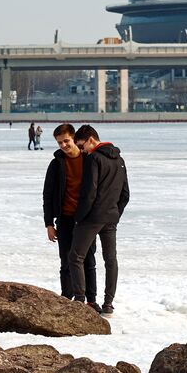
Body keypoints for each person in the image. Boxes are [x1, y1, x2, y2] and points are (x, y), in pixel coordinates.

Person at [66, 125, 128, 316]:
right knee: (110, 260)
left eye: (81, 145)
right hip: (110, 217)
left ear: (91, 140)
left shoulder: (94, 158)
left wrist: (80, 217)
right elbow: (125, 194)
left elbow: (89, 193)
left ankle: (79, 299)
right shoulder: (119, 159)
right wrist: (115, 213)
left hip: (92, 217)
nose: (82, 150)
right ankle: (108, 304)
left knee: (75, 257)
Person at [43, 123, 98, 311]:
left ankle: (91, 300)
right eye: (60, 143)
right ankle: (67, 297)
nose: (64, 146)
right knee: (66, 260)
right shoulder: (56, 164)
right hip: (65, 218)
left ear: (74, 139)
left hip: (86, 219)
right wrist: (49, 223)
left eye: (66, 141)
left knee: (88, 259)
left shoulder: (90, 160)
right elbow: (48, 195)